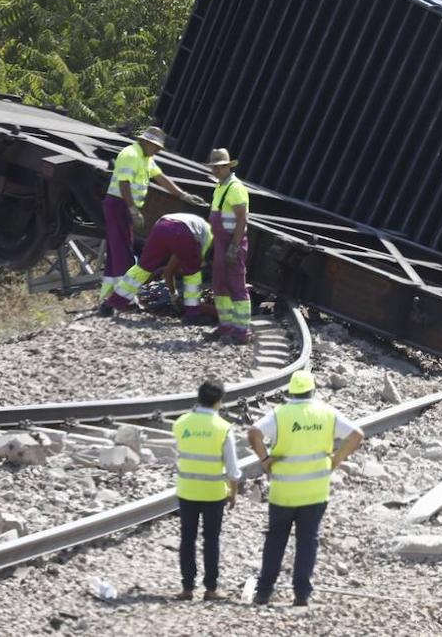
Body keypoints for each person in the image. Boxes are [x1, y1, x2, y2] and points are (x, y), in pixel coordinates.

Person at [247, 371, 363, 608]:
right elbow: (356, 435)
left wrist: (265, 459)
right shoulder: (326, 413)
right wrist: (337, 459)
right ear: (312, 390)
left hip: (284, 492)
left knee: (275, 540)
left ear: (291, 391)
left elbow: (254, 432)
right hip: (315, 491)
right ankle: (301, 595)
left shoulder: (281, 414)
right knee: (307, 541)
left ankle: (264, 592)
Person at [99, 126, 199, 314]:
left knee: (117, 251)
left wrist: (182, 195)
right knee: (123, 252)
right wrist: (132, 209)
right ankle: (124, 299)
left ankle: (109, 298)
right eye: (156, 146)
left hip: (122, 206)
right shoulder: (130, 154)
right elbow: (124, 183)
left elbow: (160, 178)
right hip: (119, 204)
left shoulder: (146, 158)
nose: (159, 150)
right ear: (146, 142)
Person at [172, 379, 241, 601]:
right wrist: (233, 492)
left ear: (198, 397)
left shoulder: (181, 423)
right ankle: (210, 589)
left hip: (187, 490)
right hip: (213, 493)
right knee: (211, 539)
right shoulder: (223, 428)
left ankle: (187, 588)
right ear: (219, 402)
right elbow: (232, 469)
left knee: (187, 539)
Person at [103, 212, 213, 323]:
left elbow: (171, 269)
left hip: (162, 227)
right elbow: (190, 266)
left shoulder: (202, 230)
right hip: (183, 231)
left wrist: (173, 294)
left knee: (142, 268)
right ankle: (192, 315)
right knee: (192, 275)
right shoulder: (208, 241)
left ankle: (111, 304)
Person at [207, 148, 252, 342]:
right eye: (213, 167)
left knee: (236, 286)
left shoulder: (235, 187)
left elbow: (241, 219)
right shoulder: (220, 187)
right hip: (220, 243)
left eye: (219, 167)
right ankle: (225, 326)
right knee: (220, 285)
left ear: (227, 166)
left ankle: (242, 331)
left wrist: (234, 248)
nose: (215, 170)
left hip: (232, 243)